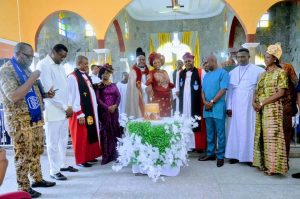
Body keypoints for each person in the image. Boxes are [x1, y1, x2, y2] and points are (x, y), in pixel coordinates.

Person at [0, 42, 55, 198]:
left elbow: (31, 91)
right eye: (28, 56)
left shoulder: (25, 69)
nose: (31, 59)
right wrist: (32, 78)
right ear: (18, 53)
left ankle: (37, 179)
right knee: (23, 154)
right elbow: (14, 96)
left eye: (33, 56)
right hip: (19, 121)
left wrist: (45, 95)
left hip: (34, 118)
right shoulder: (6, 71)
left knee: (36, 150)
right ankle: (23, 187)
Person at [37, 44, 78, 181]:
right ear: (53, 52)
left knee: (62, 140)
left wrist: (69, 106)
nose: (63, 59)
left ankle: (62, 164)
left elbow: (65, 88)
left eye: (65, 57)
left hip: (64, 110)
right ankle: (54, 170)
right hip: (53, 109)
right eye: (61, 56)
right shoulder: (44, 65)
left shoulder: (60, 65)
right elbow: (50, 91)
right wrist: (65, 107)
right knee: (52, 142)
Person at [252, 43, 288, 175]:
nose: (265, 59)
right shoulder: (262, 74)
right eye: (265, 57)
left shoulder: (281, 72)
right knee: (261, 136)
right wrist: (254, 102)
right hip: (261, 109)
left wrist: (262, 103)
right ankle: (262, 163)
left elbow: (281, 93)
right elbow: (256, 90)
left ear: (274, 59)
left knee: (272, 137)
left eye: (268, 57)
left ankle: (273, 167)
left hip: (273, 110)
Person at [225, 48, 265, 165]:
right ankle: (235, 155)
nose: (241, 59)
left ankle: (249, 157)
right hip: (236, 105)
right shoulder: (232, 72)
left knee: (249, 129)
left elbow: (260, 90)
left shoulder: (258, 71)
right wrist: (229, 107)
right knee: (235, 129)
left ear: (249, 57)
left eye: (243, 57)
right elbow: (230, 92)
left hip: (249, 105)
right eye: (239, 57)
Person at [68, 55, 101, 167]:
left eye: (87, 63)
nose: (87, 66)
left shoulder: (85, 76)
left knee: (89, 134)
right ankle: (82, 160)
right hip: (80, 112)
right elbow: (72, 97)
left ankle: (90, 156)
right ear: (78, 64)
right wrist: (79, 113)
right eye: (85, 64)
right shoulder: (73, 77)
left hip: (89, 110)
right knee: (81, 137)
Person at [199, 54, 229, 167]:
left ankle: (220, 156)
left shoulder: (223, 73)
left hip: (218, 107)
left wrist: (212, 102)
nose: (205, 65)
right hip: (207, 107)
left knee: (220, 133)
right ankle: (210, 153)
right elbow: (203, 90)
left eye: (207, 63)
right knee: (210, 132)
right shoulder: (206, 76)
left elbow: (223, 89)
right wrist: (205, 102)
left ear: (213, 61)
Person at [178, 52, 206, 151]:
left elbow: (204, 88)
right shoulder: (180, 73)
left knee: (196, 121)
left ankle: (198, 145)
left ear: (193, 60)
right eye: (186, 61)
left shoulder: (200, 72)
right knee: (185, 121)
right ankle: (186, 146)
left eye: (189, 61)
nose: (188, 63)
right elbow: (178, 89)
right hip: (184, 103)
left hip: (196, 102)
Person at [95, 66, 121, 165]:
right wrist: (107, 107)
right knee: (105, 132)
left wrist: (115, 105)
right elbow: (98, 99)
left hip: (114, 111)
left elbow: (118, 96)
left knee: (115, 130)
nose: (107, 75)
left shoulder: (113, 85)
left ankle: (115, 154)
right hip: (104, 112)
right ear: (101, 74)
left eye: (108, 73)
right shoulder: (98, 86)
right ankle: (106, 155)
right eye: (105, 73)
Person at [146, 52, 174, 117]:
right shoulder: (151, 73)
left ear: (161, 62)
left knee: (167, 117)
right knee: (158, 117)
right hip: (157, 99)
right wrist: (151, 100)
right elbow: (149, 87)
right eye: (154, 63)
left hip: (167, 98)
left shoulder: (165, 72)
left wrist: (171, 97)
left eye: (158, 62)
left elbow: (169, 85)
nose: (157, 64)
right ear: (152, 64)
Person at [125, 47, 149, 118]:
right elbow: (133, 85)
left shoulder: (148, 71)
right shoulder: (133, 71)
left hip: (147, 95)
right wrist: (145, 87)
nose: (141, 61)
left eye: (143, 59)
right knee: (140, 113)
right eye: (139, 59)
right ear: (136, 60)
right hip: (137, 95)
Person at [281, 62, 298, 158]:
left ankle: (285, 159)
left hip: (286, 106)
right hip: (271, 106)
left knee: (285, 133)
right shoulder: (267, 69)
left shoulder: (287, 67)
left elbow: (296, 84)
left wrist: (293, 104)